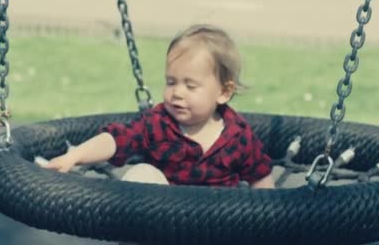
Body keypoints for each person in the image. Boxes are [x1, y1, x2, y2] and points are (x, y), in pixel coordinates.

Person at [42, 24, 274, 189]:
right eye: (171, 82)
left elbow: (260, 178)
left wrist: (269, 222)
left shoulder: (239, 137)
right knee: (143, 172)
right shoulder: (157, 123)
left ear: (223, 92)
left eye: (190, 86)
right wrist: (76, 155)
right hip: (162, 222)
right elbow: (116, 139)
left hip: (216, 225)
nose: (177, 93)